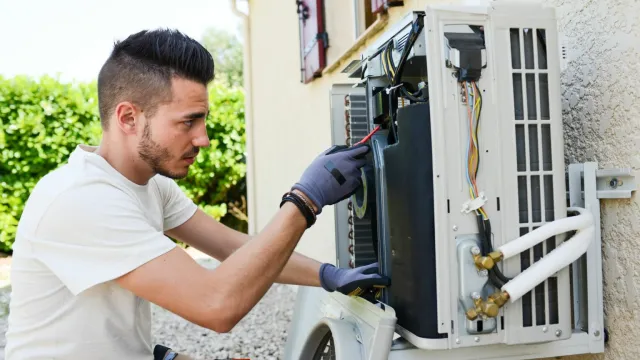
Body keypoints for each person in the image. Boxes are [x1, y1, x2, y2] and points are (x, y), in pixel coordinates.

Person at [4, 29, 390, 359]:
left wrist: (327, 275)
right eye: (188, 122)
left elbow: (230, 246)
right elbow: (216, 305)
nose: (203, 138)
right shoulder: (82, 198)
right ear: (127, 118)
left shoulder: (149, 184)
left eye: (202, 119)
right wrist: (304, 201)